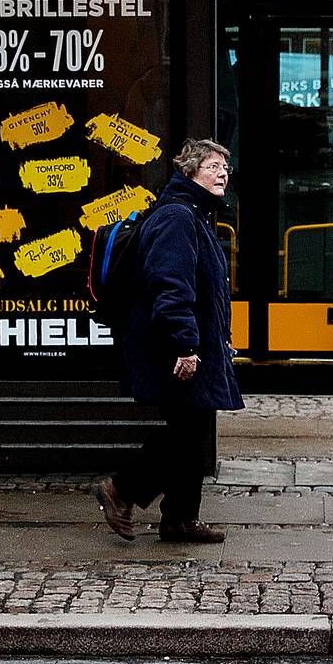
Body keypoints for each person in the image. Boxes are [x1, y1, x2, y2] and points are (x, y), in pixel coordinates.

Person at [96, 138, 243, 543]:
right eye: (213, 166)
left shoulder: (194, 214)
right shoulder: (178, 217)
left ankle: (180, 519)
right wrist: (186, 345)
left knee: (193, 430)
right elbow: (170, 286)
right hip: (172, 346)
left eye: (224, 168)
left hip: (191, 343)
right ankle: (121, 489)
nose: (221, 174)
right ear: (190, 171)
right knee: (185, 434)